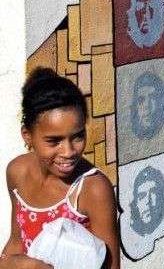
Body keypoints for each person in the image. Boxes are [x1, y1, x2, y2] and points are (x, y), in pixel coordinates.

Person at [1, 68, 120, 269]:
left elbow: (111, 266)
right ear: (27, 135)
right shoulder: (17, 172)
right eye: (54, 141)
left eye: (78, 136)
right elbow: (16, 242)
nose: (69, 151)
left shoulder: (92, 189)